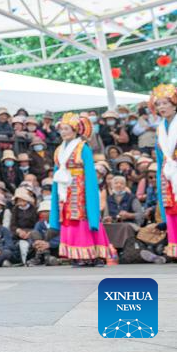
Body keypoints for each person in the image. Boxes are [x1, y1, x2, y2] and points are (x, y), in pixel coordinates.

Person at [51, 113, 115, 266]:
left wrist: (89, 193)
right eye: (61, 129)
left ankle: (92, 254)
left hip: (80, 187)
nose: (63, 132)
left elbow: (90, 173)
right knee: (68, 218)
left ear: (75, 130)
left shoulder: (82, 147)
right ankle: (76, 253)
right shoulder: (59, 149)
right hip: (64, 189)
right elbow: (56, 171)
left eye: (66, 129)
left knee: (83, 218)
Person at [151, 84, 177, 260]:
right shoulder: (160, 129)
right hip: (168, 173)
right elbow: (161, 159)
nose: (161, 107)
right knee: (173, 210)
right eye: (158, 104)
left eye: (164, 103)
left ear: (175, 104)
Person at [27, 200, 60, 266]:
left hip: (55, 247)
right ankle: (41, 257)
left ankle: (46, 258)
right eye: (42, 212)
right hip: (41, 246)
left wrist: (49, 244)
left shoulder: (59, 223)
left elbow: (63, 237)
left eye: (46, 211)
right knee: (33, 233)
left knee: (50, 231)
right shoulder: (39, 224)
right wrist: (35, 243)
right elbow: (34, 235)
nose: (43, 214)